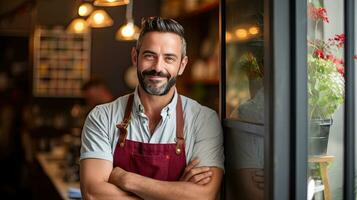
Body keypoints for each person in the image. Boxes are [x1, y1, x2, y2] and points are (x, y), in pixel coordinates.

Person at [80, 16, 224, 200]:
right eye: (150, 56)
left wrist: (126, 179)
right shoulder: (102, 116)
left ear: (182, 65)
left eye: (169, 58)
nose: (158, 67)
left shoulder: (203, 120)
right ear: (135, 57)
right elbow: (93, 193)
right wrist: (177, 192)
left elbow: (203, 196)